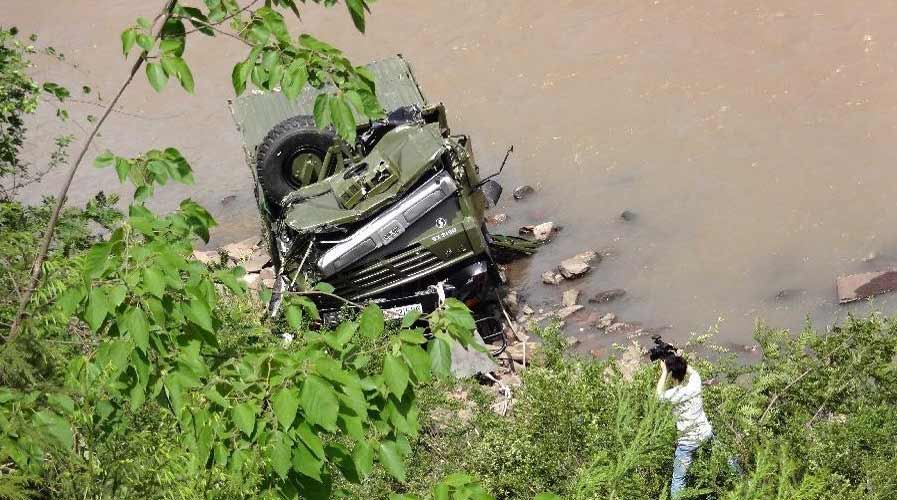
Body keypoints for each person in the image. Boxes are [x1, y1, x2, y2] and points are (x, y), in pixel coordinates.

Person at [656, 355, 714, 497]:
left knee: (678, 479)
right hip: (705, 434)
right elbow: (693, 372)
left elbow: (658, 395)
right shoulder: (695, 384)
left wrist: (664, 371)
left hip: (687, 443)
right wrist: (677, 358)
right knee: (728, 460)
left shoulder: (672, 395)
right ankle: (742, 483)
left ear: (671, 375)